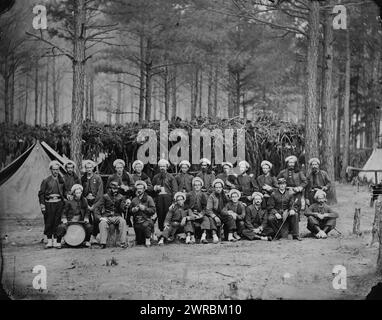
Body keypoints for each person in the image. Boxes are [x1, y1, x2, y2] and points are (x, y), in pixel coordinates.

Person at [38, 161, 65, 249]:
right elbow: (41, 193)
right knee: (49, 222)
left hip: (59, 203)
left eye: (57, 169)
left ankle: (57, 241)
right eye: (53, 169)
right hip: (49, 203)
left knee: (58, 222)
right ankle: (49, 241)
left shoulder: (61, 180)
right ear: (50, 170)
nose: (55, 171)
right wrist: (42, 205)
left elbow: (64, 192)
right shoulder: (46, 180)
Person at [56, 184, 93, 248]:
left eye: (79, 192)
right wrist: (64, 219)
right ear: (74, 193)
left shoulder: (84, 200)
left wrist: (86, 218)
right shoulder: (69, 201)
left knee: (89, 227)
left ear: (81, 192)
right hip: (71, 220)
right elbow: (64, 212)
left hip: (80, 220)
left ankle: (86, 241)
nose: (78, 194)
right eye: (77, 193)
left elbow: (87, 211)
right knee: (61, 227)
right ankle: (58, 242)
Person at [98, 181, 129, 249]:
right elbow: (97, 208)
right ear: (110, 188)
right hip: (107, 216)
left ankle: (123, 242)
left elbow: (122, 209)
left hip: (117, 216)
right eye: (113, 188)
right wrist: (100, 217)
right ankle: (103, 243)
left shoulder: (121, 197)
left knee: (123, 222)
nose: (115, 190)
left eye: (116, 189)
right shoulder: (105, 196)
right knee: (102, 223)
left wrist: (125, 206)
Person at [152, 159, 178, 231]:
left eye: (164, 166)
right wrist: (155, 188)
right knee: (160, 214)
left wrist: (174, 201)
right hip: (159, 199)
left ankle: (168, 232)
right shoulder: (156, 177)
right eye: (161, 166)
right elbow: (151, 188)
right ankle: (161, 231)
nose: (162, 168)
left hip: (168, 199)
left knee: (168, 215)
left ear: (167, 167)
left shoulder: (171, 177)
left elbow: (175, 190)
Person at [81, 160, 104, 244]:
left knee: (96, 218)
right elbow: (81, 191)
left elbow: (100, 192)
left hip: (96, 201)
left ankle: (94, 235)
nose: (89, 169)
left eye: (90, 167)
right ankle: (87, 237)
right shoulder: (83, 178)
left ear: (93, 168)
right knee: (87, 219)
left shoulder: (97, 178)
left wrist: (94, 205)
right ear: (85, 169)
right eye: (87, 168)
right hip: (86, 201)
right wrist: (85, 203)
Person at [130, 180, 156, 247]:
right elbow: (130, 211)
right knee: (139, 241)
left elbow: (153, 210)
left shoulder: (149, 198)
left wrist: (145, 208)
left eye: (141, 188)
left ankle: (148, 239)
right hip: (137, 222)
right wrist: (133, 210)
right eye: (138, 188)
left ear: (144, 189)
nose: (139, 190)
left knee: (146, 226)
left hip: (147, 220)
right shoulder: (134, 199)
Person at [185, 177, 208, 243]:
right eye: (195, 185)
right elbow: (186, 205)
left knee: (206, 219)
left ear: (201, 186)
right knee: (188, 221)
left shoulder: (203, 195)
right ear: (193, 186)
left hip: (200, 213)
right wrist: (190, 213)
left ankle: (203, 237)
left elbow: (205, 207)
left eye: (198, 185)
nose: (197, 186)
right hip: (191, 213)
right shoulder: (189, 194)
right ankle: (189, 237)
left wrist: (201, 214)